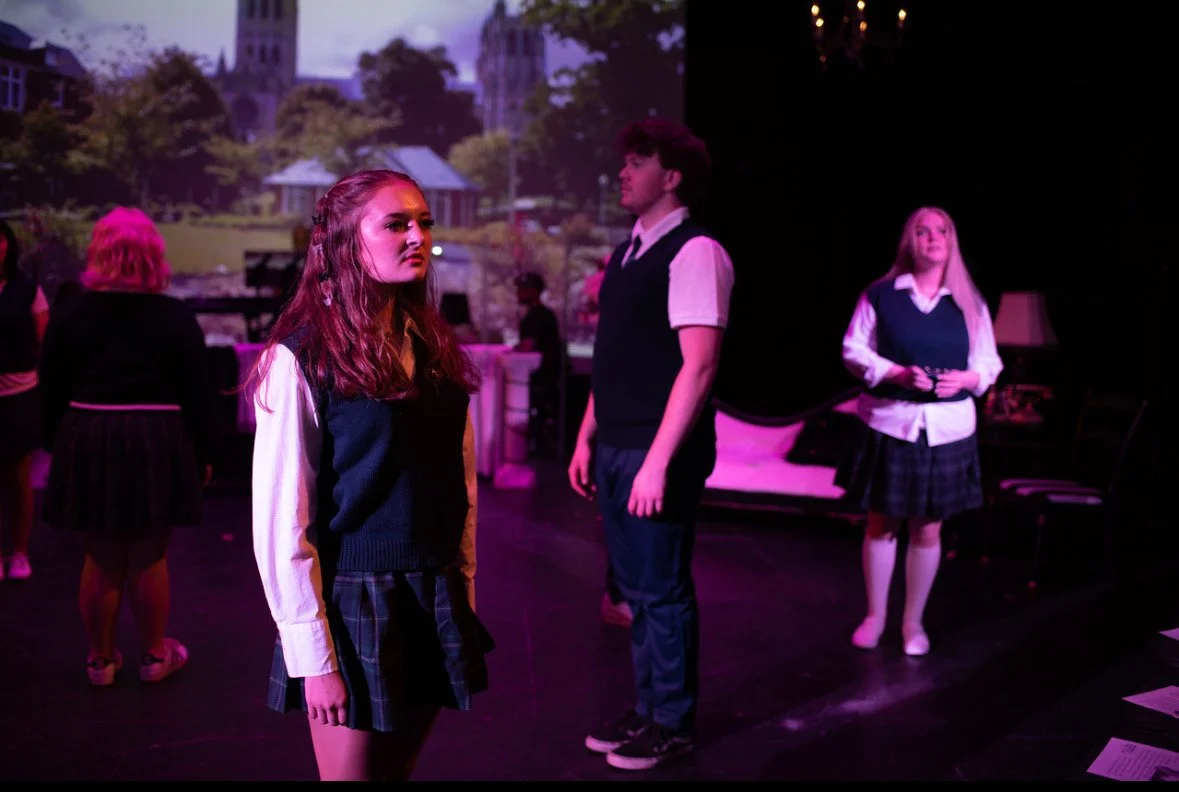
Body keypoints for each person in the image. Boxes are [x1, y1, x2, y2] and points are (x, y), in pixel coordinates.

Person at [247, 169, 493, 782]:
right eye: (395, 223)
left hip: (428, 592)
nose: (417, 236)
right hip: (354, 603)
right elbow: (283, 522)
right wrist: (313, 656)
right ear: (345, 242)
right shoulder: (301, 358)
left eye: (424, 222)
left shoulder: (435, 352)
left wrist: (461, 593)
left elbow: (459, 490)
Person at [568, 117, 735, 771]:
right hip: (617, 443)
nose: (621, 172)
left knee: (661, 589)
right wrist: (586, 437)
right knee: (636, 593)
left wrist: (657, 462)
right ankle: (648, 711)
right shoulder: (627, 251)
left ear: (670, 177)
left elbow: (697, 366)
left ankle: (672, 722)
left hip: (654, 449)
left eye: (636, 162)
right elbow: (614, 357)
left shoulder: (695, 251)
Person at [38, 207, 213, 685]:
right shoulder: (174, 316)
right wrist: (204, 453)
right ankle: (154, 656)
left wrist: (57, 442)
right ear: (153, 254)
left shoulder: (72, 311)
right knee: (149, 556)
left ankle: (100, 661)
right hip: (158, 437)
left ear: (100, 252)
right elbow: (198, 392)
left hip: (89, 434)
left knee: (100, 557)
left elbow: (50, 385)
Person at [835, 206, 1003, 657]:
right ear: (910, 241)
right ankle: (875, 616)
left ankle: (913, 623)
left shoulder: (969, 303)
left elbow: (988, 363)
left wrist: (967, 380)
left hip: (946, 429)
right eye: (922, 230)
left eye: (941, 230)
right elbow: (853, 349)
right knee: (881, 523)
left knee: (928, 529)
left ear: (952, 241)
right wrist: (895, 372)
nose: (932, 237)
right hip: (892, 423)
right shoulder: (882, 294)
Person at [0, 218, 49, 581]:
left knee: (18, 475)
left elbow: (42, 339)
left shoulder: (27, 288)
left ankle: (19, 551)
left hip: (18, 391)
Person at [513, 270, 563, 457]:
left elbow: (528, 346)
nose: (518, 293)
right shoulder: (540, 314)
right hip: (545, 379)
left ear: (533, 290)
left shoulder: (537, 316)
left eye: (522, 289)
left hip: (541, 381)